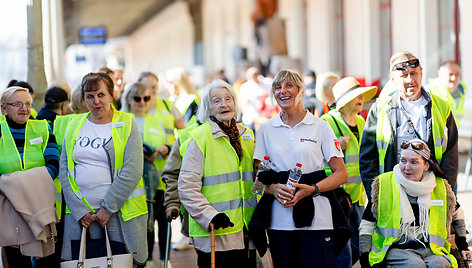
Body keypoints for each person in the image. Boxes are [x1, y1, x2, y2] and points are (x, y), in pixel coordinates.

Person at [252, 70, 348, 268]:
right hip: (279, 222)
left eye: (289, 86)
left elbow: (341, 174)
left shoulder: (320, 127)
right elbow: (257, 179)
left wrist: (313, 189)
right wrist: (272, 189)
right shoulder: (265, 130)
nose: (283, 91)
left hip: (318, 219)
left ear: (301, 91)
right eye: (278, 87)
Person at [59, 72, 148, 266]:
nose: (96, 101)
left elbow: (132, 170)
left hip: (117, 214)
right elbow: (65, 171)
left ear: (111, 95)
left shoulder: (127, 122)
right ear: (83, 98)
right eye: (90, 96)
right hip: (81, 217)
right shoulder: (74, 124)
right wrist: (79, 210)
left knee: (119, 262)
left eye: (101, 95)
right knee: (83, 262)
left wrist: (107, 207)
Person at [178, 79, 257, 268]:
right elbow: (187, 188)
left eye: (228, 98)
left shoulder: (246, 135)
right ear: (208, 107)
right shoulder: (200, 137)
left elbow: (252, 182)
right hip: (215, 231)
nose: (224, 104)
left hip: (246, 230)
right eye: (217, 101)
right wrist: (209, 215)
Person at [360, 51, 458, 200]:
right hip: (392, 192)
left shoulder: (441, 106)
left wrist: (445, 189)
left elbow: (451, 153)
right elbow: (368, 158)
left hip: (432, 190)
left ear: (421, 73)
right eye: (403, 75)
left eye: (414, 73)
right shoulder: (380, 108)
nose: (410, 79)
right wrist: (376, 197)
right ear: (393, 79)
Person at [359, 139, 471, 268]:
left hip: (431, 249)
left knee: (440, 264)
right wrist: (364, 257)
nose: (407, 167)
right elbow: (366, 225)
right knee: (415, 265)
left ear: (426, 166)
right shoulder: (384, 184)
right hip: (394, 249)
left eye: (414, 162)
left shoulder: (440, 187)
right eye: (403, 161)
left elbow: (458, 214)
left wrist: (463, 245)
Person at [0, 86, 60, 268]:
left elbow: (54, 165)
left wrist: (13, 182)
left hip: (41, 205)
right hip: (9, 207)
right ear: (4, 108)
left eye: (27, 104)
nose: (24, 108)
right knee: (16, 260)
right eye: (17, 104)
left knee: (46, 261)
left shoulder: (43, 127)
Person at [321, 77, 377, 268]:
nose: (361, 99)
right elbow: (317, 157)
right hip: (338, 197)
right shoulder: (326, 122)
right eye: (356, 96)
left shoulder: (362, 121)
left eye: (362, 95)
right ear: (344, 101)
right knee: (342, 248)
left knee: (359, 246)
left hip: (359, 197)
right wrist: (338, 143)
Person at [121, 82, 173, 267]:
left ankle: (166, 259)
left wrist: (164, 148)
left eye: (146, 98)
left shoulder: (155, 120)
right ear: (129, 99)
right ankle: (148, 258)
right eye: (137, 98)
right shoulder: (125, 120)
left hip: (158, 180)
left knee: (164, 221)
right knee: (146, 224)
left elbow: (168, 144)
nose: (142, 102)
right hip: (137, 184)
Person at [138, 71, 186, 142]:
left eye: (153, 87)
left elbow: (184, 133)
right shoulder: (133, 107)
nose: (150, 91)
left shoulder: (168, 105)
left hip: (170, 152)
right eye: (146, 87)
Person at [427, 61, 467, 127]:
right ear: (440, 74)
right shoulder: (429, 90)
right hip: (435, 136)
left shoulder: (461, 89)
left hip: (452, 134)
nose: (453, 78)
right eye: (450, 74)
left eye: (457, 74)